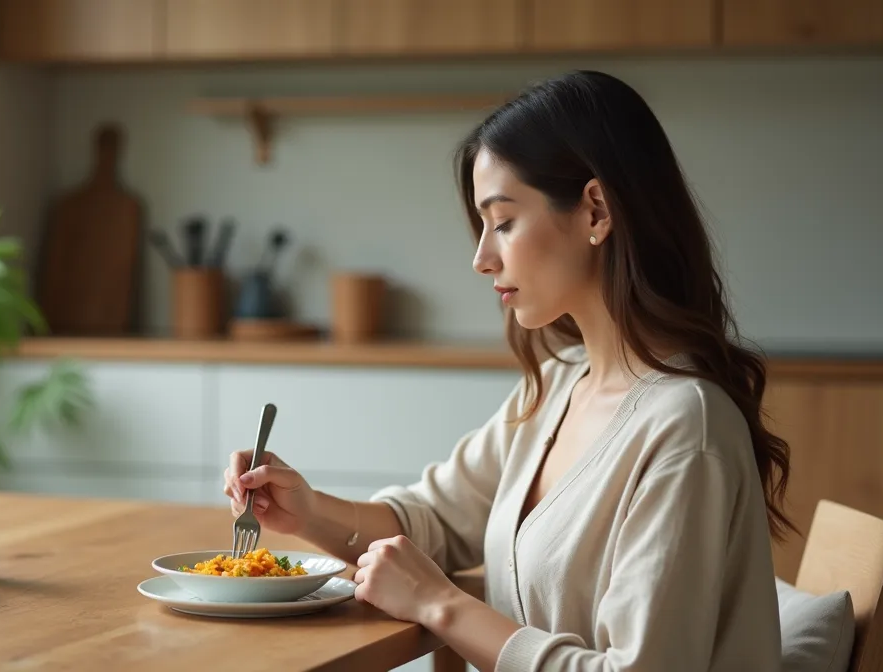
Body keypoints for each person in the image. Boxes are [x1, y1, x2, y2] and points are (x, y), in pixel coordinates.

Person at [223, 70, 790, 672]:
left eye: (504, 221)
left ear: (595, 210)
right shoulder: (560, 383)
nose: (481, 257)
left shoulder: (685, 427)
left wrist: (442, 605)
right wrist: (306, 510)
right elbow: (433, 522)